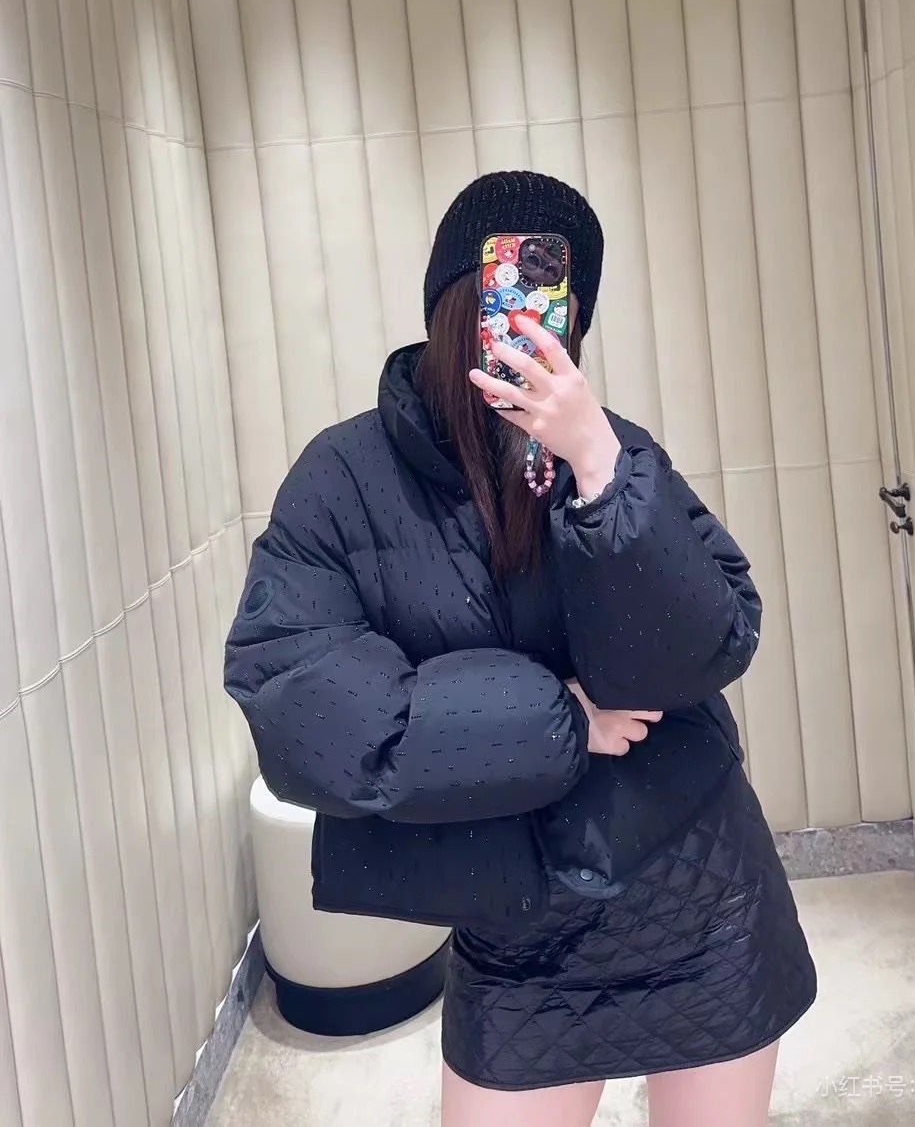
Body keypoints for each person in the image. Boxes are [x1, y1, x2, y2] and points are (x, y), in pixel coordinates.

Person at [224, 171, 817, 1126]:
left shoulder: (609, 448)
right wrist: (558, 718)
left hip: (700, 900)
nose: (525, 326)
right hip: (515, 944)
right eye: (502, 295)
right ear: (450, 305)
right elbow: (301, 709)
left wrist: (601, 469)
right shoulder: (344, 477)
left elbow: (715, 641)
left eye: (556, 306)